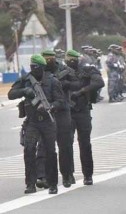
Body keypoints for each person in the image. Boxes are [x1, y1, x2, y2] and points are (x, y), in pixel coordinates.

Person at [8, 55, 66, 194]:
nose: (34, 70)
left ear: (42, 67)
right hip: (32, 121)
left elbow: (61, 101)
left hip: (47, 121)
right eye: (32, 67)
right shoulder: (26, 80)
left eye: (36, 67)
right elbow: (11, 94)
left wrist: (51, 107)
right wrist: (24, 91)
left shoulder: (52, 81)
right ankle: (30, 184)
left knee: (50, 152)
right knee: (29, 150)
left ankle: (52, 183)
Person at [61, 49, 105, 186]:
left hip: (83, 110)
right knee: (66, 145)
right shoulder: (61, 72)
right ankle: (67, 175)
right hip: (67, 111)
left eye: (72, 60)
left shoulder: (87, 70)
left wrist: (81, 91)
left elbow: (99, 83)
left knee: (85, 144)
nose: (70, 63)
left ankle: (88, 175)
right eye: (68, 60)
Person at [39, 50, 75, 188]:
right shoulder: (38, 73)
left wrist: (66, 84)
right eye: (46, 59)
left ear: (54, 58)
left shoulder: (65, 70)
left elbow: (77, 82)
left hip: (62, 110)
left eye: (50, 59)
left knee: (65, 145)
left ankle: (67, 174)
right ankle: (47, 177)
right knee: (46, 146)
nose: (48, 62)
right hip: (45, 112)